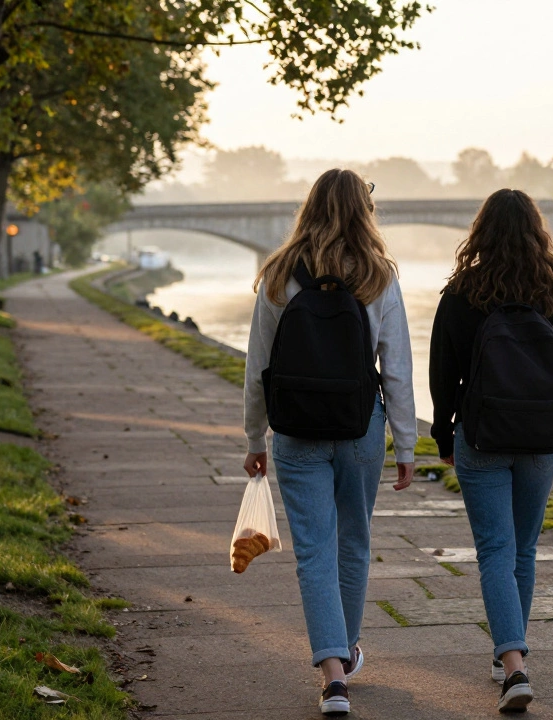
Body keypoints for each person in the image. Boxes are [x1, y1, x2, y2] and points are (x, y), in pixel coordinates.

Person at [243, 170, 417, 717]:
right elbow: (397, 368)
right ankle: (347, 649)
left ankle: (333, 677)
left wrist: (254, 435)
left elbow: (259, 366)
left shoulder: (278, 274)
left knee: (314, 552)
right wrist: (406, 444)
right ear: (365, 212)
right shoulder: (378, 274)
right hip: (360, 425)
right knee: (354, 542)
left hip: (296, 429)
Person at [429, 188, 553, 713]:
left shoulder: (462, 293)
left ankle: (513, 663)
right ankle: (509, 655)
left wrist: (444, 434)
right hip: (541, 439)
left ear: (481, 232)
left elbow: (442, 372)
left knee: (495, 551)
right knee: (522, 551)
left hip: (483, 436)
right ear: (536, 234)